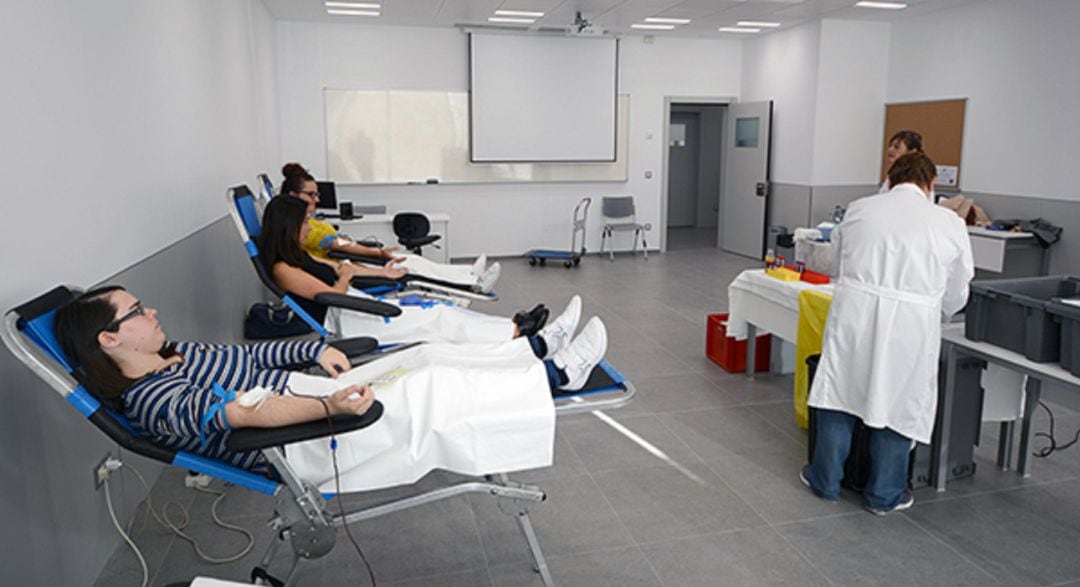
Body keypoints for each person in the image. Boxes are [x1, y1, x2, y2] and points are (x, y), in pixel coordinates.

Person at [54, 286, 609, 475]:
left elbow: (252, 356)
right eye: (137, 313)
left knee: (427, 354)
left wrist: (317, 348)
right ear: (110, 339)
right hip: (297, 442)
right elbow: (248, 415)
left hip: (310, 395)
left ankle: (535, 352)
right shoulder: (153, 400)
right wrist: (333, 410)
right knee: (432, 383)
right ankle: (557, 378)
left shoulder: (179, 354)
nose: (151, 314)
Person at [801, 151, 974, 515]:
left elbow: (839, 261)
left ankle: (825, 482)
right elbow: (959, 288)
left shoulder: (861, 209)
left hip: (856, 311)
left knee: (839, 396)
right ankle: (884, 496)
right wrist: (939, 308)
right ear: (931, 185)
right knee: (899, 402)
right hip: (911, 323)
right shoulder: (948, 222)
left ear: (891, 180)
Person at [259, 195, 581, 351]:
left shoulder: (297, 256)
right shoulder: (284, 269)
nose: (307, 228)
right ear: (286, 227)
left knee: (441, 312)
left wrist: (381, 275)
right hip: (352, 318)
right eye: (302, 223)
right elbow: (333, 293)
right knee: (440, 319)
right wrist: (345, 274)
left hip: (355, 305)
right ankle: (523, 337)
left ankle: (515, 329)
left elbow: (340, 268)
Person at [280, 163, 501, 293]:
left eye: (317, 194)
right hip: (342, 263)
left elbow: (342, 242)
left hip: (344, 260)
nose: (317, 199)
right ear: (293, 196)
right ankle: (471, 282)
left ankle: (468, 274)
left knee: (411, 260)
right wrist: (376, 252)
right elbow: (341, 245)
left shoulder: (310, 221)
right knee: (410, 264)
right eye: (311, 195)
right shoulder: (302, 228)